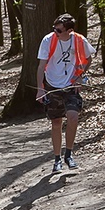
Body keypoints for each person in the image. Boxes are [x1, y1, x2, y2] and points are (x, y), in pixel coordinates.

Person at [35, 13, 96, 173]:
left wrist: (79, 77)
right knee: (56, 123)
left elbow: (88, 59)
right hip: (52, 85)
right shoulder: (48, 40)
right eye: (54, 28)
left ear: (69, 31)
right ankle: (57, 159)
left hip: (71, 86)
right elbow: (41, 66)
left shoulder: (79, 40)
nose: (55, 32)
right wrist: (40, 88)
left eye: (59, 30)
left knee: (73, 117)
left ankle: (68, 154)